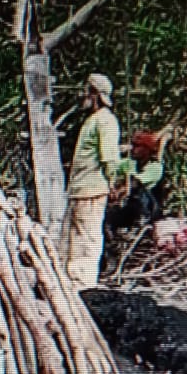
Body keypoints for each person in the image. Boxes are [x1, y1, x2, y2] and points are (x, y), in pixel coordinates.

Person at [60, 73, 121, 290]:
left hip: (91, 189)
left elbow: (109, 157)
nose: (82, 95)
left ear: (95, 94)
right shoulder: (93, 120)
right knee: (72, 239)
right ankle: (68, 284)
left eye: (86, 91)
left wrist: (113, 182)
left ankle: (82, 285)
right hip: (80, 188)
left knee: (86, 239)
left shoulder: (105, 121)